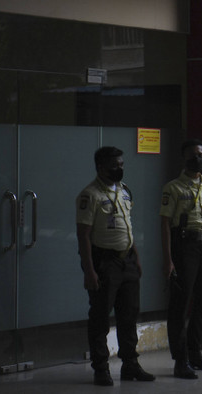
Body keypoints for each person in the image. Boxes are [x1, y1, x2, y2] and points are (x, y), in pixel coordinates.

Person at [76, 146, 155, 386]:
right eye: (114, 165)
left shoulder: (124, 190)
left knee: (129, 315)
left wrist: (136, 257)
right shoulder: (89, 195)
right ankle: (101, 368)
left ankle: (130, 364)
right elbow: (84, 237)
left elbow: (127, 227)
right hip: (105, 263)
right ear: (100, 167)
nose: (119, 168)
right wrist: (89, 271)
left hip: (127, 260)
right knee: (100, 317)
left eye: (121, 164)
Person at [160, 138, 202, 379]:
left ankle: (195, 353)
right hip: (183, 247)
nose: (200, 159)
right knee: (180, 305)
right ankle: (180, 360)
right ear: (184, 158)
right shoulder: (173, 188)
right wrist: (168, 260)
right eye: (195, 155)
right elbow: (164, 224)